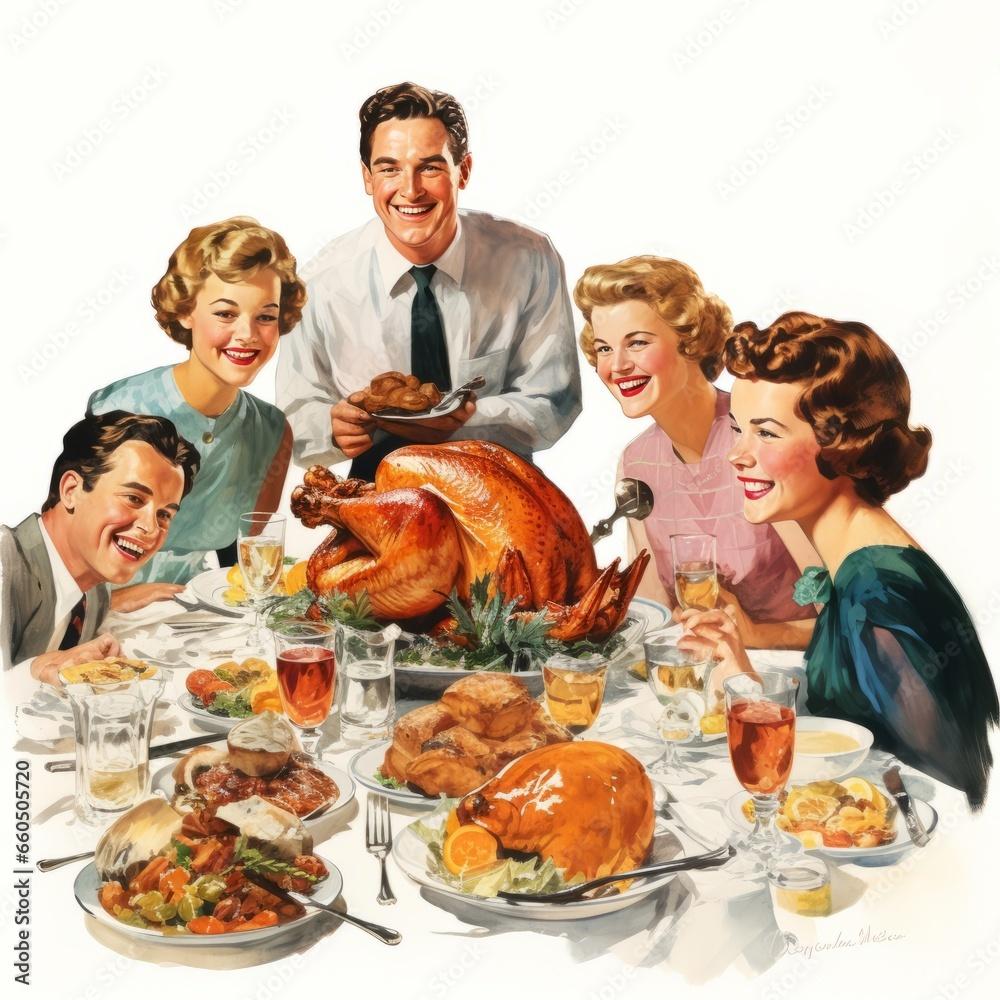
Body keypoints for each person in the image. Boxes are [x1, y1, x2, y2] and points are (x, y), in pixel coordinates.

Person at [679, 311, 998, 808]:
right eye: (739, 430)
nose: (737, 455)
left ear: (843, 446)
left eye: (765, 434)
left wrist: (748, 700)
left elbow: (946, 792)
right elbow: (856, 728)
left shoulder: (878, 591)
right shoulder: (853, 561)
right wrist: (746, 682)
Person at [277, 81, 581, 479]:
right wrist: (330, 430)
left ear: (464, 171)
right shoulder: (321, 282)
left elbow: (554, 402)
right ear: (367, 177)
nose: (410, 189)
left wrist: (463, 419)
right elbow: (293, 416)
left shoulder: (530, 259)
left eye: (430, 167)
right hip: (376, 494)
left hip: (500, 489)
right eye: (389, 169)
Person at [575, 257, 816, 649]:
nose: (616, 366)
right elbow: (653, 619)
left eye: (637, 342)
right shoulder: (637, 462)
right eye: (604, 348)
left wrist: (757, 637)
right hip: (702, 681)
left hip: (796, 682)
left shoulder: (762, 436)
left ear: (690, 341)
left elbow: (849, 623)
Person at [89, 217, 305, 604]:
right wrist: (109, 604)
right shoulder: (120, 408)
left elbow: (248, 568)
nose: (248, 334)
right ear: (187, 311)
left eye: (266, 317)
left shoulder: (272, 431)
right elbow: (65, 547)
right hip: (96, 612)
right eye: (226, 313)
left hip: (194, 610)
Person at [1, 410, 200, 686]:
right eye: (133, 498)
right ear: (71, 490)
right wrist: (36, 670)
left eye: (165, 515)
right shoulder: (4, 565)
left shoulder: (95, 595)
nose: (152, 528)